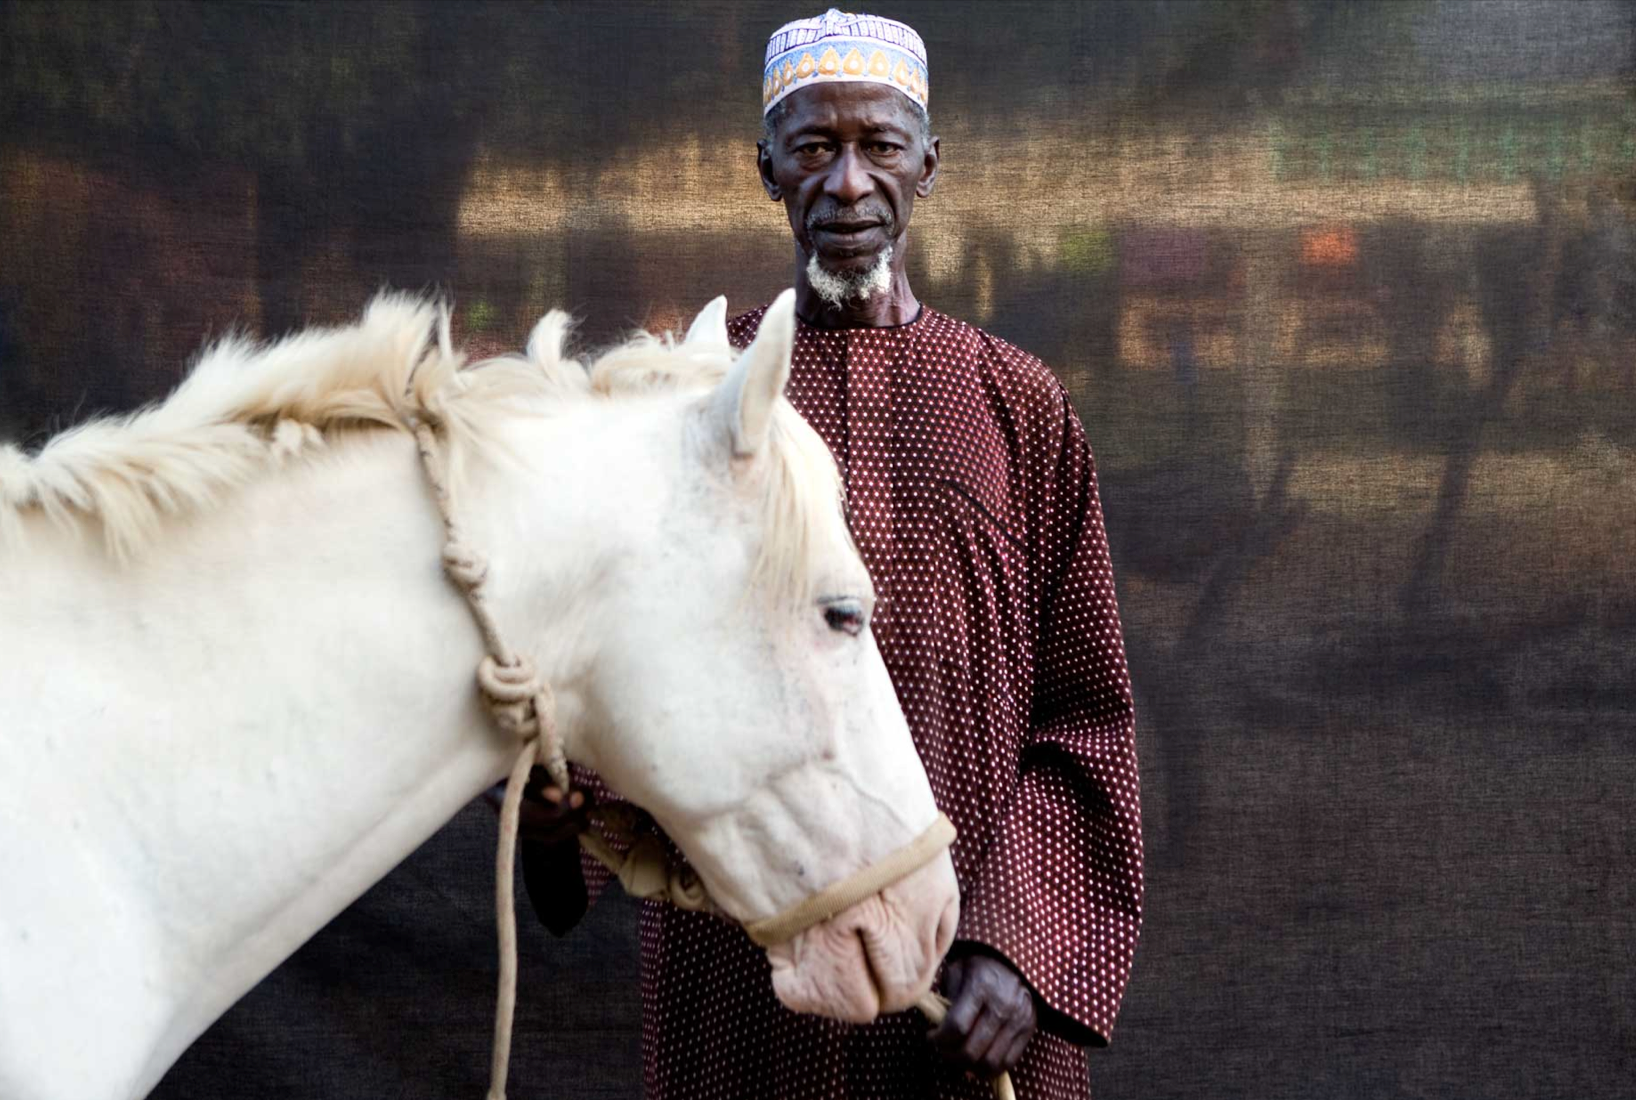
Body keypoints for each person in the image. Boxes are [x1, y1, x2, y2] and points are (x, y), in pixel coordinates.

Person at [518, 9, 1143, 1098]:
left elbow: (1084, 716)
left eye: (880, 146)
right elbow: (615, 683)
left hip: (963, 1005)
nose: (847, 184)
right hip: (746, 989)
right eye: (813, 147)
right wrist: (558, 802)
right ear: (766, 167)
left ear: (928, 164)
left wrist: (1019, 948)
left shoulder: (1017, 406)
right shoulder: (689, 401)